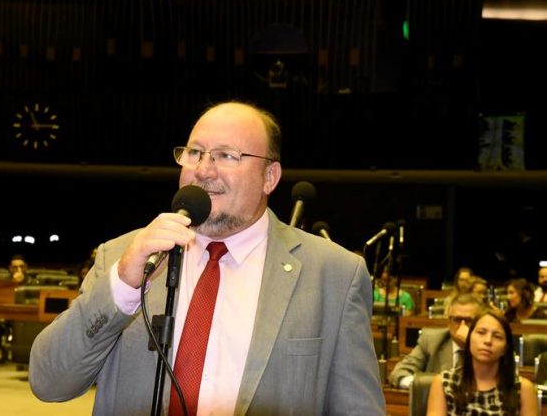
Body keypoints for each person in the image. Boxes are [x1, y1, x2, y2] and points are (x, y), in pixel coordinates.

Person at [29, 101, 386, 415]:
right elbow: (49, 382)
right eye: (195, 152)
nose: (203, 170)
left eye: (226, 155)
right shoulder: (124, 256)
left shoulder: (335, 276)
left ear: (269, 177)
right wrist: (122, 287)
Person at [426, 309, 538, 415]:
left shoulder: (523, 389)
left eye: (497, 336)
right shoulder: (445, 383)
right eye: (481, 333)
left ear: (505, 348)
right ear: (469, 338)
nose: (488, 341)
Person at [389, 294, 483, 389]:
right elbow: (399, 373)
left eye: (468, 320)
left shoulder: (487, 345)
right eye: (457, 320)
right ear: (449, 322)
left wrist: (471, 344)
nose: (462, 326)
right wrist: (425, 386)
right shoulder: (431, 341)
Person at [0, 254, 34, 371]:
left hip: (26, 316)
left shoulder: (33, 283)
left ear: (26, 268)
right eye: (15, 267)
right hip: (5, 315)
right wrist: (13, 283)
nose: (18, 270)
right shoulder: (4, 283)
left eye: (21, 267)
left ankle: (31, 358)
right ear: (10, 268)